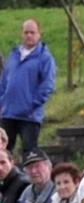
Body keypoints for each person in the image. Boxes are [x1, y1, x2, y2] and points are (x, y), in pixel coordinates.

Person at [0, 19, 56, 159]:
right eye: (26, 32)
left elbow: (47, 85)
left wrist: (31, 104)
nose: (29, 35)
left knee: (29, 154)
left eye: (32, 32)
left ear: (39, 34)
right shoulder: (13, 55)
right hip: (8, 114)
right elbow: (4, 81)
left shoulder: (45, 58)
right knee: (4, 152)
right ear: (21, 34)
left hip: (29, 117)